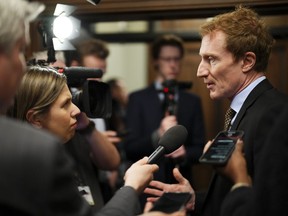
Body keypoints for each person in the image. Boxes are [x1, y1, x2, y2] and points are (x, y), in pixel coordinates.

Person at [0, 0, 164, 215]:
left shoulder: (72, 129)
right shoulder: (36, 151)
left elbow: (111, 161)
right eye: (20, 50)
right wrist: (131, 188)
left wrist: (87, 128)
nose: (76, 110)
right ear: (35, 117)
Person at [144, 5, 288, 216]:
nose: (200, 71)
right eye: (202, 59)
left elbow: (271, 205)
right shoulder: (245, 109)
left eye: (211, 59)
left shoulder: (275, 115)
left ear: (247, 61)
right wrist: (196, 199)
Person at [124, 34, 206, 185]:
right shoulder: (137, 99)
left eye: (176, 59)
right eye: (167, 59)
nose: (173, 64)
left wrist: (185, 154)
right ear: (156, 61)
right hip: (147, 184)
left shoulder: (193, 101)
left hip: (181, 183)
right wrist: (157, 135)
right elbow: (130, 148)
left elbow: (200, 148)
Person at [219, 104, 288, 216]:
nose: (203, 84)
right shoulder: (234, 112)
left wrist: (240, 179)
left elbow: (269, 205)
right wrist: (194, 199)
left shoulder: (272, 109)